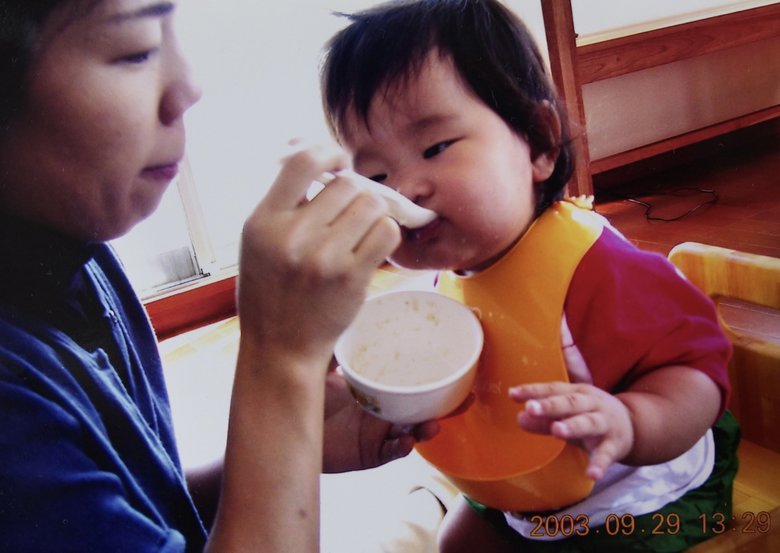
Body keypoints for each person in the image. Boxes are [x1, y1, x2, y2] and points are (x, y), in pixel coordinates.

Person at [0, 1, 437, 551]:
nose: (188, 87)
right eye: (135, 51)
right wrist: (281, 359)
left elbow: (122, 515)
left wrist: (286, 445)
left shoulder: (69, 249)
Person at [319, 0, 739, 551]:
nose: (406, 189)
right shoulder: (437, 288)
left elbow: (698, 369)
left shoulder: (597, 271)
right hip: (526, 489)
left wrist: (632, 420)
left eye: (435, 147)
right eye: (376, 174)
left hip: (640, 498)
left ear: (538, 144)